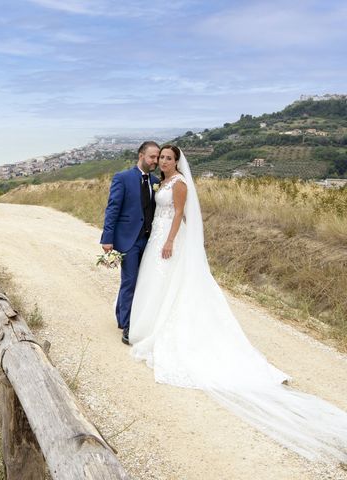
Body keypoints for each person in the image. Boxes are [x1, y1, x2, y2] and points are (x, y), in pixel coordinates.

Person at [128, 144, 347, 462]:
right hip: (156, 239)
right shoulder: (161, 182)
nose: (163, 161)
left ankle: (163, 330)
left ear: (177, 162)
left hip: (168, 240)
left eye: (168, 158)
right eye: (160, 157)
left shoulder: (179, 185)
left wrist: (170, 241)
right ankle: (149, 322)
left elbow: (178, 214)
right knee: (157, 286)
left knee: (170, 286)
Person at [100, 141, 160, 345]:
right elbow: (112, 208)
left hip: (150, 241)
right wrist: (107, 238)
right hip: (128, 239)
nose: (155, 161)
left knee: (145, 282)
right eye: (152, 157)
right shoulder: (122, 178)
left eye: (157, 157)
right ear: (141, 155)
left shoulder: (155, 180)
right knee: (130, 281)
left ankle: (132, 317)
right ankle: (126, 324)